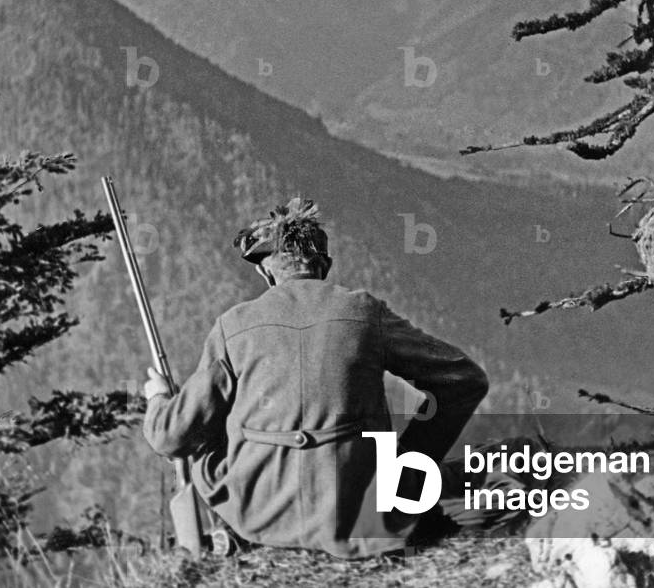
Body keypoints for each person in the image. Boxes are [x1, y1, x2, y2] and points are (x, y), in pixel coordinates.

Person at [142, 197, 488, 558]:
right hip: (359, 513)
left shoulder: (233, 326)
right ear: (324, 265)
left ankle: (237, 530)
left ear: (265, 272)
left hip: (257, 517)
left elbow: (169, 438)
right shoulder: (365, 313)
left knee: (203, 427)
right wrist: (404, 466)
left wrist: (158, 398)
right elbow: (465, 379)